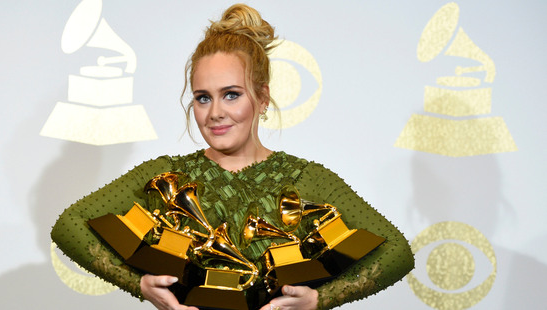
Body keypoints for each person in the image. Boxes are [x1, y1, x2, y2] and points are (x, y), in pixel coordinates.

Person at [51, 3, 414, 310]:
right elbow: (70, 224)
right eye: (203, 97)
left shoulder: (305, 179)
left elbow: (396, 252)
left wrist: (319, 300)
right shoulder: (166, 175)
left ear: (263, 98)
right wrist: (139, 285)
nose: (215, 113)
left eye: (231, 95)